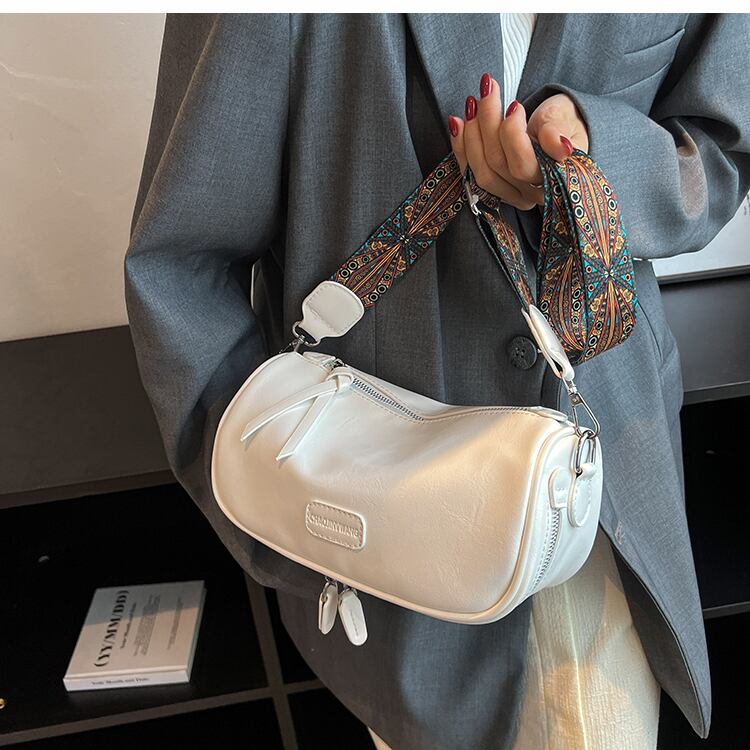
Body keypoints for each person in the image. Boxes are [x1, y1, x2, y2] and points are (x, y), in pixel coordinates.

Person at [125, 13, 750, 749]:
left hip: (606, 488)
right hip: (380, 510)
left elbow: (720, 148)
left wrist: (596, 154)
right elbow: (183, 263)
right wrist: (267, 503)